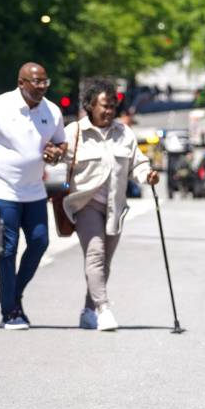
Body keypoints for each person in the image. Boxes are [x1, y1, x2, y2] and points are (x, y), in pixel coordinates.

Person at [0, 62, 67, 330]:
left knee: (39, 242)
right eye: (35, 82)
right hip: (2, 189)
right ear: (21, 82)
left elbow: (61, 143)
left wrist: (56, 153)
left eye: (44, 82)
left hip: (34, 190)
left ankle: (15, 294)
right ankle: (9, 311)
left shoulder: (52, 110)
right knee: (8, 250)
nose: (40, 87)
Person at [62, 79, 159, 332]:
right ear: (90, 105)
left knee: (104, 263)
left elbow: (138, 163)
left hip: (115, 208)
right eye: (104, 106)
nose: (109, 111)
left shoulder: (123, 133)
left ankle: (87, 311)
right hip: (86, 203)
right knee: (94, 255)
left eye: (113, 106)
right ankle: (104, 309)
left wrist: (147, 174)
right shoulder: (74, 132)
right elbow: (54, 158)